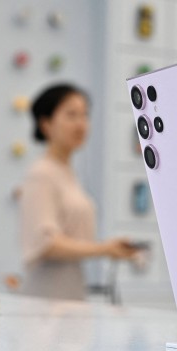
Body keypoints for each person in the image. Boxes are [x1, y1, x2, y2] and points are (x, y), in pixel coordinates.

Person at [20, 84, 138, 300]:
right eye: (71, 115)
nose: (81, 124)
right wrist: (104, 249)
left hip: (70, 297)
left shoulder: (67, 172)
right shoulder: (41, 174)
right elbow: (47, 244)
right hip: (45, 303)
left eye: (85, 115)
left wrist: (109, 248)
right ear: (45, 124)